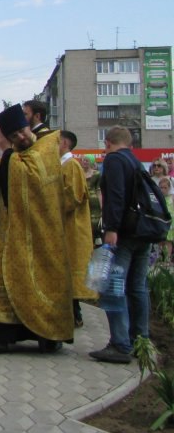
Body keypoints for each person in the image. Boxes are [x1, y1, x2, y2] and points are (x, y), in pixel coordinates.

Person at [0, 105, 73, 355]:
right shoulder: (13, 158)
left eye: (22, 131)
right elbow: (4, 198)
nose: (20, 137)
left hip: (42, 236)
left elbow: (38, 185)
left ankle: (48, 334)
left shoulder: (43, 151)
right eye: (14, 135)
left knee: (43, 280)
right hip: (10, 232)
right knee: (0, 281)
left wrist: (7, 163)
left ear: (30, 128)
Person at [91, 125, 152, 364]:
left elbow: (115, 195)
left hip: (123, 234)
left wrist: (112, 228)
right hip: (142, 233)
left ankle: (119, 344)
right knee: (137, 287)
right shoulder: (135, 162)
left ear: (107, 143)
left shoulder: (115, 160)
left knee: (113, 287)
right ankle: (141, 340)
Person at [59, 130, 97, 328]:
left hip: (71, 226)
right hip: (65, 227)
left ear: (64, 143)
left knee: (71, 269)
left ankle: (75, 314)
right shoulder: (63, 164)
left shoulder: (71, 165)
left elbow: (72, 196)